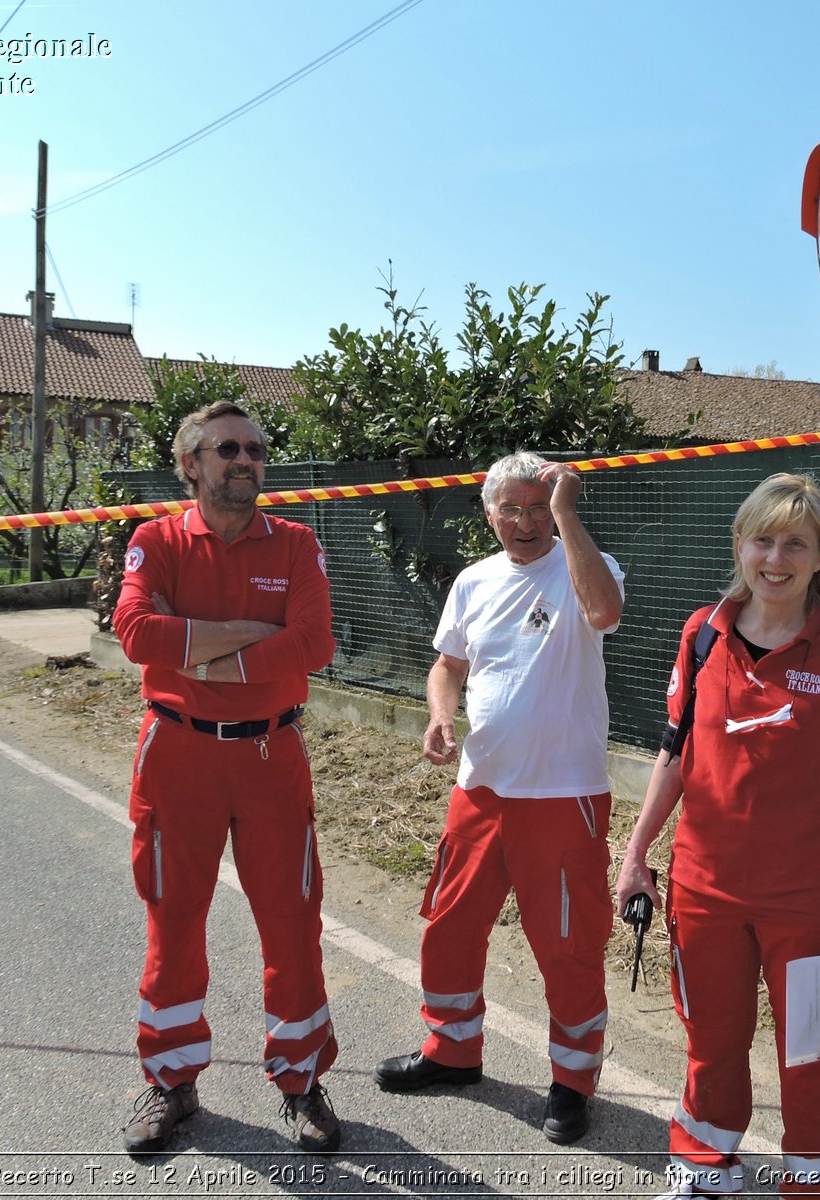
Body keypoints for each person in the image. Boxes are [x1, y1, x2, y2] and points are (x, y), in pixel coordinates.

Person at [614, 472, 820, 1199]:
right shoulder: (702, 633)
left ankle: (818, 1186)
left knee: (815, 1056)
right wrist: (636, 852)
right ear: (739, 545)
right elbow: (675, 754)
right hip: (705, 890)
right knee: (711, 1044)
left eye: (795, 543)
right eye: (762, 539)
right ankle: (705, 1170)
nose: (776, 558)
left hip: (813, 900)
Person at [374, 450, 626, 1145]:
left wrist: (569, 512)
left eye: (536, 507)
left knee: (569, 946)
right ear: (488, 513)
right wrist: (439, 712)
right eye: (509, 508)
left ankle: (573, 1083)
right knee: (448, 928)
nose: (523, 521)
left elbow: (604, 610)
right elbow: (449, 664)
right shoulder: (473, 581)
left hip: (563, 795)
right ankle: (451, 1053)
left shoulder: (582, 565)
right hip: (479, 791)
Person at [112, 401, 341, 1155]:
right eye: (227, 449)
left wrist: (201, 646)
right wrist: (251, 636)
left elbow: (312, 645)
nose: (246, 461)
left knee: (292, 923)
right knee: (173, 921)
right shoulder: (157, 539)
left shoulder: (297, 544)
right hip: (178, 754)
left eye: (256, 449)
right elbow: (137, 634)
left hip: (273, 757)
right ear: (191, 464)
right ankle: (172, 1083)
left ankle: (303, 1081)